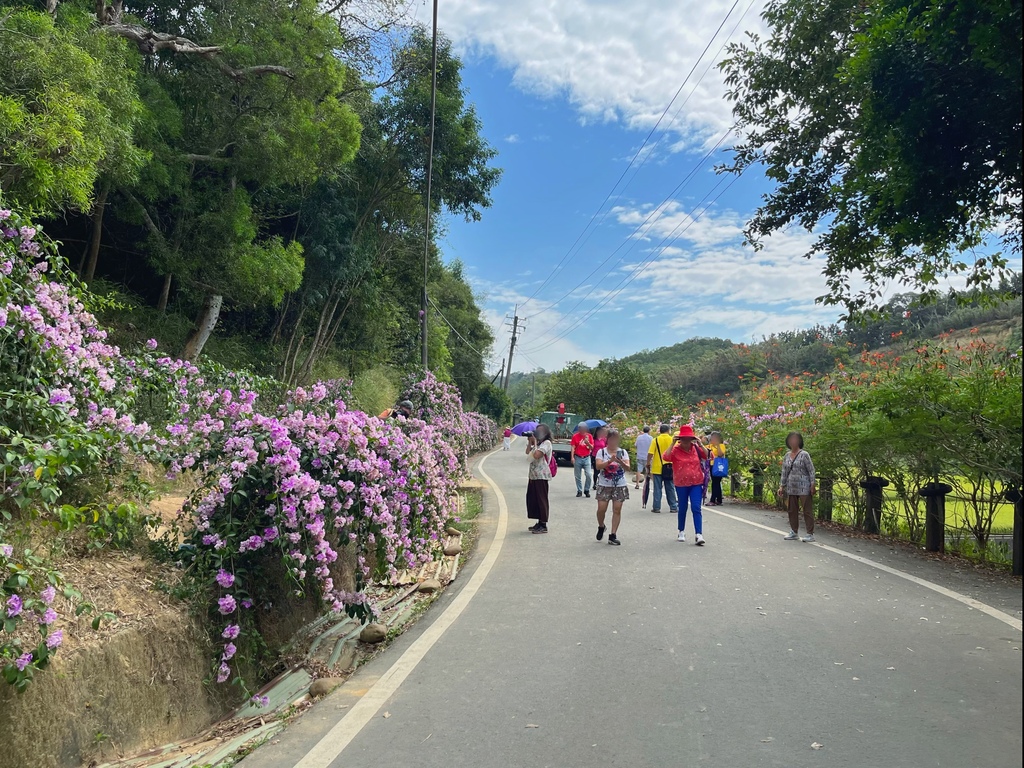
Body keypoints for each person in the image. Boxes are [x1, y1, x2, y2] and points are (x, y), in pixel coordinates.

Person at [662, 425, 709, 545]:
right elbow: (666, 457)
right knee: (682, 507)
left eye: (688, 438)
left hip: (696, 482)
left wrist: (700, 444)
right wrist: (672, 443)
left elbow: (708, 456)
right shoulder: (676, 450)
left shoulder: (696, 449)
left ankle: (699, 534)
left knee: (696, 508)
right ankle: (681, 531)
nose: (686, 441)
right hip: (681, 483)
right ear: (680, 439)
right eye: (683, 439)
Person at [594, 429, 630, 546]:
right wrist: (609, 461)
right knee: (601, 509)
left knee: (617, 509)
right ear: (607, 440)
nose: (613, 442)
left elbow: (628, 468)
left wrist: (621, 462)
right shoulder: (602, 452)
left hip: (619, 485)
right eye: (611, 439)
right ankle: (601, 525)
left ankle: (613, 535)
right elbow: (598, 466)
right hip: (604, 484)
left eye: (615, 440)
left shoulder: (623, 452)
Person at [779, 431, 816, 542]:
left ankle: (810, 533)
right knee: (792, 510)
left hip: (804, 486)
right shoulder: (786, 455)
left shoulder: (804, 454)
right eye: (791, 439)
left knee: (807, 510)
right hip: (791, 487)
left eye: (795, 439)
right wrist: (782, 486)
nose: (793, 441)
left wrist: (813, 484)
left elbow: (811, 470)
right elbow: (784, 472)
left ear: (800, 441)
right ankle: (794, 531)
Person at [525, 425, 553, 534]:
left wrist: (535, 442)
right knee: (534, 499)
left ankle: (543, 524)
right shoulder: (539, 443)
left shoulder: (546, 443)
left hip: (541, 475)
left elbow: (537, 455)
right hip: (533, 475)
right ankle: (539, 522)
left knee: (541, 499)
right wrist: (530, 442)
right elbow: (528, 453)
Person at [646, 424, 678, 515]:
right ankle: (673, 507)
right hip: (669, 467)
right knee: (670, 488)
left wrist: (648, 463)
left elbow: (650, 453)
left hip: (657, 468)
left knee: (657, 488)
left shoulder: (655, 440)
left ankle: (656, 507)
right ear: (669, 430)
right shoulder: (672, 440)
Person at [570, 422, 595, 498]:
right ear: (579, 429)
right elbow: (573, 447)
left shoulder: (589, 436)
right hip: (578, 457)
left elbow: (592, 448)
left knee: (589, 474)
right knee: (577, 476)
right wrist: (572, 457)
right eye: (581, 428)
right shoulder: (575, 436)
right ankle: (579, 490)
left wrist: (587, 443)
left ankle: (586, 490)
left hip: (587, 457)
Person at [707, 432, 727, 506]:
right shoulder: (710, 446)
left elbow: (720, 454)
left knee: (715, 482)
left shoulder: (721, 445)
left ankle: (713, 500)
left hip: (718, 466)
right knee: (716, 483)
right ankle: (719, 499)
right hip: (711, 465)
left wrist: (717, 445)